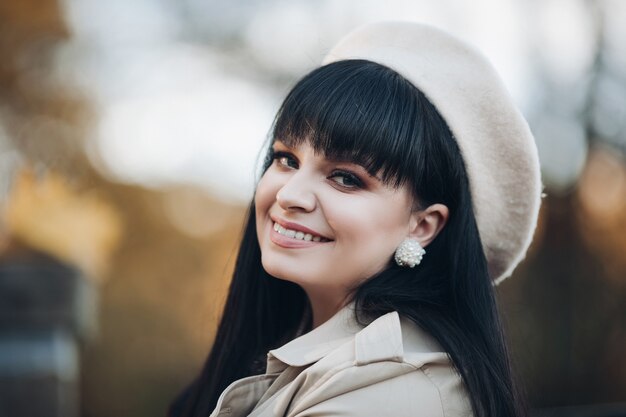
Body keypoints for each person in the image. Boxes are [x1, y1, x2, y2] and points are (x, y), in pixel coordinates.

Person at [169, 21, 542, 417]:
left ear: (423, 226)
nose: (289, 194)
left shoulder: (398, 392)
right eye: (286, 159)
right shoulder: (286, 355)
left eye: (345, 178)